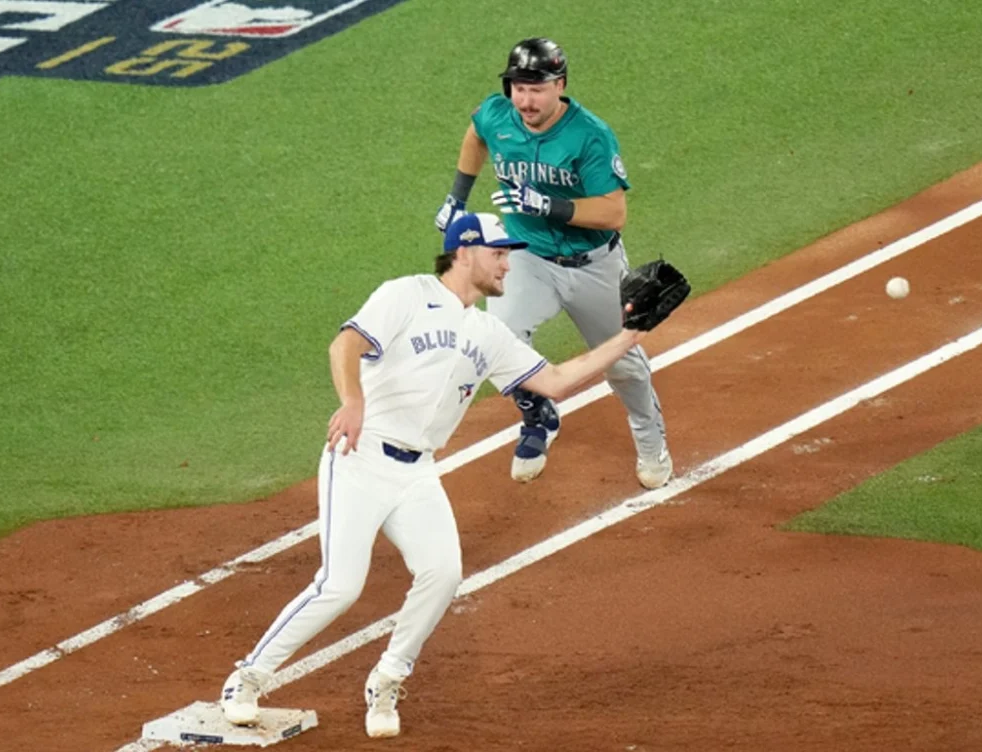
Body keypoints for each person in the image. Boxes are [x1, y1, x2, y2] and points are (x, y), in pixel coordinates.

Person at [219, 213, 659, 739]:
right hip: (360, 456)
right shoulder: (406, 294)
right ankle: (248, 678)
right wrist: (353, 401)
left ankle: (387, 679)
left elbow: (558, 382)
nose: (508, 263)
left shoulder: (487, 331)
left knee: (443, 572)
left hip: (418, 471)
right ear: (466, 251)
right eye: (500, 253)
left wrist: (631, 334)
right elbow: (345, 346)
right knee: (340, 585)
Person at [434, 37, 672, 490]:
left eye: (536, 88)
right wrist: (457, 197)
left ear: (559, 85)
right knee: (495, 342)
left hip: (593, 265)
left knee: (621, 363)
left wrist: (550, 205)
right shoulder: (497, 114)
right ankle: (538, 416)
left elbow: (614, 212)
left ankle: (650, 439)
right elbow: (476, 134)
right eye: (518, 88)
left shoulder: (590, 136)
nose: (525, 99)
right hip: (526, 259)